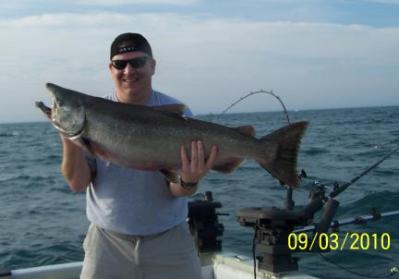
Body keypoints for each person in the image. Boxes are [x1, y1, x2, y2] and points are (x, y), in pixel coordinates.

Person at [60, 32, 218, 279]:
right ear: (110, 68)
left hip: (169, 240)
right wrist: (70, 138)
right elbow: (77, 183)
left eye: (137, 62)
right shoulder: (92, 113)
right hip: (106, 243)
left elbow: (177, 190)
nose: (128, 70)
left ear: (152, 65)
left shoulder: (179, 112)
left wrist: (189, 180)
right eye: (120, 64)